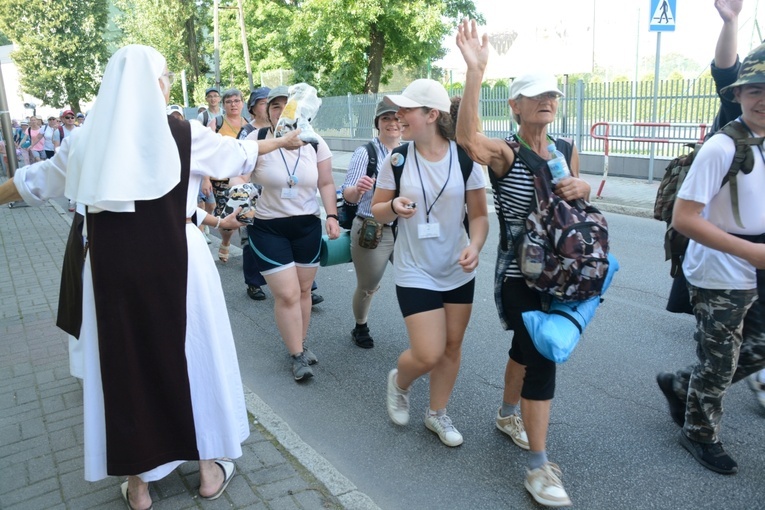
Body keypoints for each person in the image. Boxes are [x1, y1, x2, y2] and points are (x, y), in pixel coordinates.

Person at [0, 44, 304, 510]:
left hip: (109, 270)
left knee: (124, 365)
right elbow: (238, 154)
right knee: (194, 358)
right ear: (157, 83)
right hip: (179, 262)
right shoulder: (183, 132)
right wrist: (282, 142)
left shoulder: (83, 140)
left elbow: (33, 183)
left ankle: (140, 485)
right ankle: (206, 471)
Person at [455, 19, 591, 507]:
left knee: (525, 346)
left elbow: (575, 212)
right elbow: (468, 138)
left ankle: (507, 412)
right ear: (515, 105)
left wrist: (584, 187)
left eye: (552, 94)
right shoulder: (506, 153)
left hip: (564, 274)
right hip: (519, 273)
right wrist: (475, 71)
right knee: (542, 357)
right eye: (536, 96)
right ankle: (538, 468)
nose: (547, 102)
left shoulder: (568, 150)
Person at [656, 42, 765, 476]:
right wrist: (752, 253)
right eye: (754, 88)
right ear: (738, 95)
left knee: (756, 350)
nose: (763, 98)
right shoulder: (722, 147)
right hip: (721, 268)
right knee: (720, 362)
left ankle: (682, 384)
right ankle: (699, 433)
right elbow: (685, 218)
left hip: (755, 261)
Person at [371, 79, 488, 448]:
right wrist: (392, 207)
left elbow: (481, 216)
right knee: (427, 352)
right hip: (413, 268)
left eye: (406, 110)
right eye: (398, 110)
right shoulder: (398, 159)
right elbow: (376, 209)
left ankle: (437, 413)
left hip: (456, 267)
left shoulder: (465, 157)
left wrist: (477, 245)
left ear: (432, 115)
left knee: (452, 346)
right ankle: (400, 382)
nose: (398, 116)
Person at [243, 85, 340, 381]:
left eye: (290, 107)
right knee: (286, 294)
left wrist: (332, 216)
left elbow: (325, 182)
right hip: (268, 226)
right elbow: (240, 175)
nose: (284, 112)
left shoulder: (315, 142)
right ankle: (297, 355)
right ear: (267, 111)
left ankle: (298, 340)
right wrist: (241, 203)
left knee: (302, 291)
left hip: (306, 225)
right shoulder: (256, 139)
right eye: (276, 107)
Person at [341, 100, 401, 348]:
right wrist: (358, 189)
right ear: (377, 123)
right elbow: (347, 194)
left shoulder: (411, 151)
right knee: (368, 286)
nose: (392, 123)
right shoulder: (365, 152)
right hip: (372, 230)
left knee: (418, 279)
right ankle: (360, 326)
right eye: (386, 118)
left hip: (403, 229)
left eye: (397, 118)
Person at [210, 88, 250, 263]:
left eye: (236, 101)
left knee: (245, 213)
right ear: (224, 105)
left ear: (242, 103)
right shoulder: (216, 123)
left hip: (244, 178)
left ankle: (248, 253)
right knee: (225, 216)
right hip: (221, 179)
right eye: (229, 101)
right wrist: (205, 179)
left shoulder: (248, 124)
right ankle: (226, 241)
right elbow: (205, 153)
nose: (233, 104)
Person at [240, 87, 271, 301]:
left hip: (278, 194)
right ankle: (253, 283)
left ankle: (307, 287)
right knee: (251, 240)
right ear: (253, 108)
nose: (268, 106)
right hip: (254, 195)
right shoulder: (247, 132)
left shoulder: (283, 128)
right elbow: (240, 166)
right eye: (263, 102)